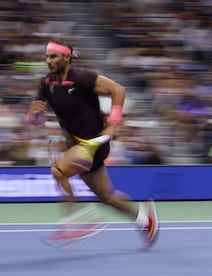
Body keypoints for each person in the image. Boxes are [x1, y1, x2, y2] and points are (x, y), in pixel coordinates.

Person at [25, 39, 159, 248]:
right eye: (46, 57)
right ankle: (145, 220)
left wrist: (113, 123)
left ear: (67, 57)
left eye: (53, 56)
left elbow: (119, 90)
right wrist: (34, 115)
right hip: (76, 145)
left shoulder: (83, 78)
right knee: (107, 196)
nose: (48, 61)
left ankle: (74, 222)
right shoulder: (46, 83)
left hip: (94, 143)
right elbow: (36, 109)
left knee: (58, 171)